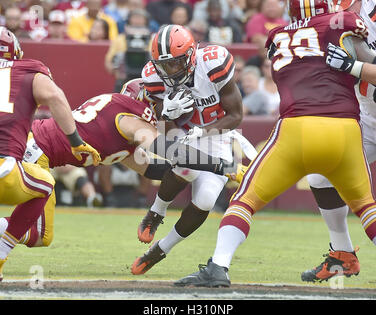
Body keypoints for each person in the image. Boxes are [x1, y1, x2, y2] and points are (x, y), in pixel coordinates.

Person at [173, 0, 376, 287]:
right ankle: (342, 253)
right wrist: (353, 60)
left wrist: (349, 63)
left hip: (298, 128)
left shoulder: (277, 36)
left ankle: (218, 266)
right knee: (363, 205)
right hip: (346, 127)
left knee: (244, 201)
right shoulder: (344, 25)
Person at [0, 78, 236, 253]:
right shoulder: (128, 119)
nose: (159, 113)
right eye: (155, 105)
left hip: (36, 152)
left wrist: (204, 174)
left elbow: (154, 170)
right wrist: (222, 167)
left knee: (41, 235)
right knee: (38, 233)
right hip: (33, 152)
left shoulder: (119, 135)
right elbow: (171, 152)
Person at [131, 24, 257, 276]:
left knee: (206, 199)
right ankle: (156, 213)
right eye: (164, 65)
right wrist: (166, 114)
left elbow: (235, 115)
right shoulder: (154, 79)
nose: (170, 71)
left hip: (217, 133)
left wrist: (204, 132)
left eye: (175, 63)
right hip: (182, 134)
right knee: (185, 163)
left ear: (190, 55)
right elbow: (160, 136)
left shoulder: (213, 64)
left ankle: (160, 250)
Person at [0, 26, 101, 280]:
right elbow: (55, 96)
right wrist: (75, 141)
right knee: (45, 182)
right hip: (4, 165)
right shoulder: (26, 70)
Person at [301, 0, 376, 282]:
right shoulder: (329, 15)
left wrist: (352, 66)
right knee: (321, 175)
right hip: (366, 116)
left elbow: (355, 64)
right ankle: (342, 254)